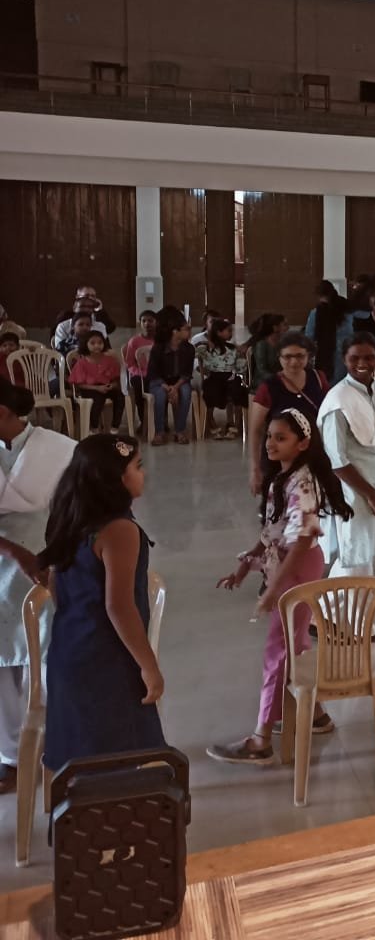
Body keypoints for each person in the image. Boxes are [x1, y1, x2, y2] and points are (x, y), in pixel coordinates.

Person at [207, 408, 351, 764]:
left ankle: (260, 740)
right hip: (290, 564)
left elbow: (300, 541)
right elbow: (273, 531)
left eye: (280, 438)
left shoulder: (302, 484)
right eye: (269, 436)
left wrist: (275, 589)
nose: (270, 443)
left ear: (302, 444)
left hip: (297, 567)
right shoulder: (283, 478)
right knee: (295, 642)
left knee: (279, 649)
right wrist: (245, 566)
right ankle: (315, 715)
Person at [38, 434, 165, 770]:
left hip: (68, 651)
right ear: (117, 479)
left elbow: (55, 584)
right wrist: (149, 666)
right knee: (115, 758)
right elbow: (119, 607)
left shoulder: (71, 517)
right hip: (106, 658)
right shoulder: (119, 530)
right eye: (137, 466)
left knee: (79, 758)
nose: (143, 473)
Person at [0, 382, 76, 793]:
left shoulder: (59, 449)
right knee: (2, 664)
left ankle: (57, 744)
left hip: (48, 557)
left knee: (47, 654)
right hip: (5, 560)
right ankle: (11, 756)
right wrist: (13, 550)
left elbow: (79, 506)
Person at [317, 337, 375, 583]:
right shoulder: (338, 400)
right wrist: (372, 495)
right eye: (354, 358)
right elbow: (336, 459)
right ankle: (344, 606)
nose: (362, 363)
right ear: (344, 360)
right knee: (355, 555)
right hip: (353, 491)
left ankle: (337, 605)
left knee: (364, 555)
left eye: (369, 357)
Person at [248, 332, 329, 496]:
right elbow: (255, 430)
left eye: (300, 356)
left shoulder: (318, 378)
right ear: (279, 358)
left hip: (313, 453)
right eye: (288, 357)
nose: (294, 362)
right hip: (279, 458)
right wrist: (255, 469)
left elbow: (328, 413)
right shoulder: (268, 387)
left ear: (308, 356)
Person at [148, 308, 195, 446]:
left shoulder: (189, 349)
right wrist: (167, 388)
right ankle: (159, 432)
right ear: (175, 331)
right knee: (160, 395)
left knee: (186, 392)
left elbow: (187, 373)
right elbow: (153, 373)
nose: (189, 332)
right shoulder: (158, 348)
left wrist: (175, 387)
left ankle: (180, 430)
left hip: (179, 381)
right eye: (186, 329)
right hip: (159, 381)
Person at [198, 318, 248, 439]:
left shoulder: (233, 349)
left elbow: (240, 369)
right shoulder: (206, 348)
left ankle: (233, 423)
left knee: (236, 390)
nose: (231, 333)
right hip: (213, 378)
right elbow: (195, 354)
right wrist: (207, 344)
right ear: (219, 332)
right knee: (211, 391)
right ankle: (211, 421)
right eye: (228, 330)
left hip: (229, 377)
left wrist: (242, 357)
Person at [67, 331, 124, 432]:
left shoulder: (110, 360)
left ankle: (115, 426)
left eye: (100, 342)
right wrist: (97, 388)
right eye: (93, 343)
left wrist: (112, 385)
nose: (97, 346)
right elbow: (79, 385)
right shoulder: (82, 363)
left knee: (120, 397)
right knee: (98, 400)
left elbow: (116, 380)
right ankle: (94, 427)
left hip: (106, 387)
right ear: (86, 344)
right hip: (90, 388)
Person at [305, 280, 353, 382]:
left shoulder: (316, 313)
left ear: (319, 296)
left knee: (327, 384)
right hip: (347, 352)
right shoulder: (346, 311)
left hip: (326, 355)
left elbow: (309, 337)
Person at [245, 314, 287, 390]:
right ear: (275, 327)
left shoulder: (283, 343)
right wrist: (278, 379)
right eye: (285, 325)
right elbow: (262, 370)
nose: (288, 328)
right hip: (263, 381)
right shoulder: (262, 344)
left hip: (279, 379)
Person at [123, 310, 157, 401]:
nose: (146, 324)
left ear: (156, 322)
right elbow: (129, 364)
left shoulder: (161, 341)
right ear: (140, 323)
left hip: (157, 374)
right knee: (138, 383)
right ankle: (142, 410)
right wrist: (142, 373)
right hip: (139, 374)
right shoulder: (134, 341)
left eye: (150, 321)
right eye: (144, 321)